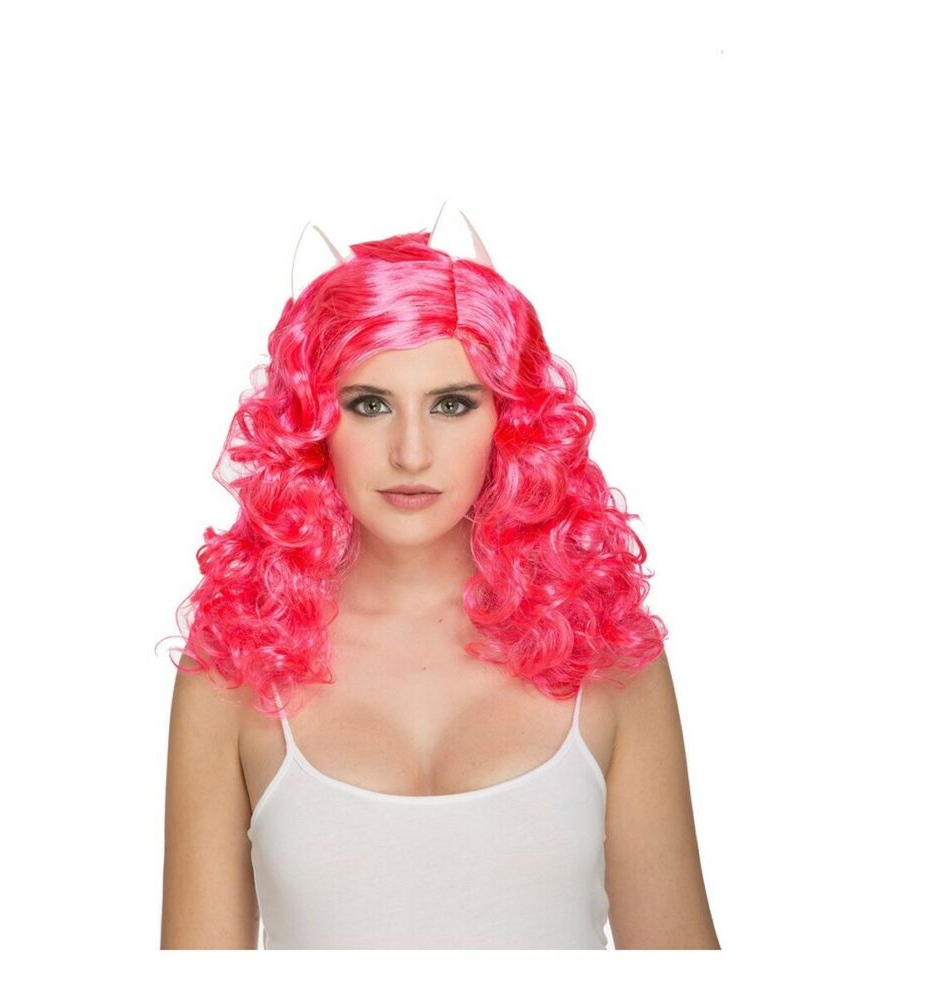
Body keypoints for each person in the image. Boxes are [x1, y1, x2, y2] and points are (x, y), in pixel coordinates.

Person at [159, 212, 720, 949]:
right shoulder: (235, 664)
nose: (412, 453)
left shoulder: (603, 652)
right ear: (312, 423)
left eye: (452, 404)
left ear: (509, 420)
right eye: (369, 405)